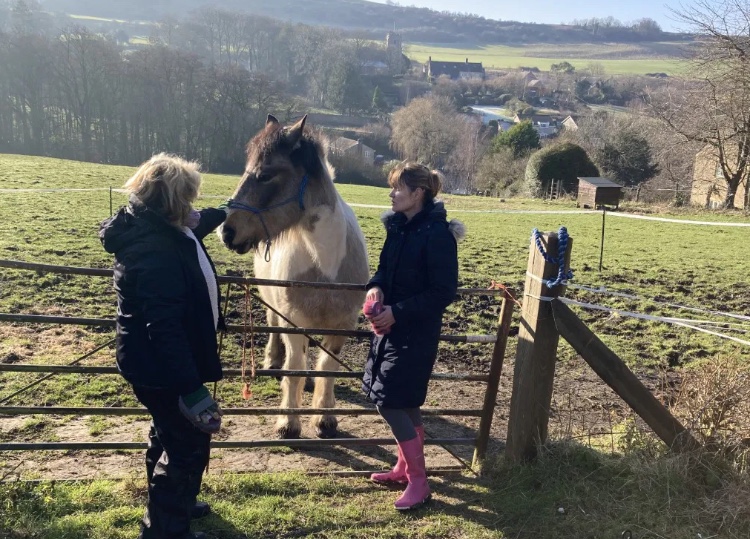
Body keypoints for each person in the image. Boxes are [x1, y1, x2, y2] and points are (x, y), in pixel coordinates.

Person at [99, 153, 228, 539]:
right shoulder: (157, 250)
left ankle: (177, 504)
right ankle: (166, 530)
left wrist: (225, 211)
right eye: (187, 198)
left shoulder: (153, 226)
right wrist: (192, 389)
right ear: (173, 202)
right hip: (162, 367)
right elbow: (165, 328)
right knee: (186, 445)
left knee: (168, 431)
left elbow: (196, 223)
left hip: (152, 362)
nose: (192, 207)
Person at [362, 162, 463, 511]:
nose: (391, 194)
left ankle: (420, 481)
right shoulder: (398, 229)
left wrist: (398, 313)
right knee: (404, 402)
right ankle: (405, 468)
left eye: (397, 189)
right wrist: (375, 292)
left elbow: (443, 291)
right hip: (388, 329)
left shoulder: (437, 235)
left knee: (388, 401)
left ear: (417, 194)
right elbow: (382, 272)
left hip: (415, 333)